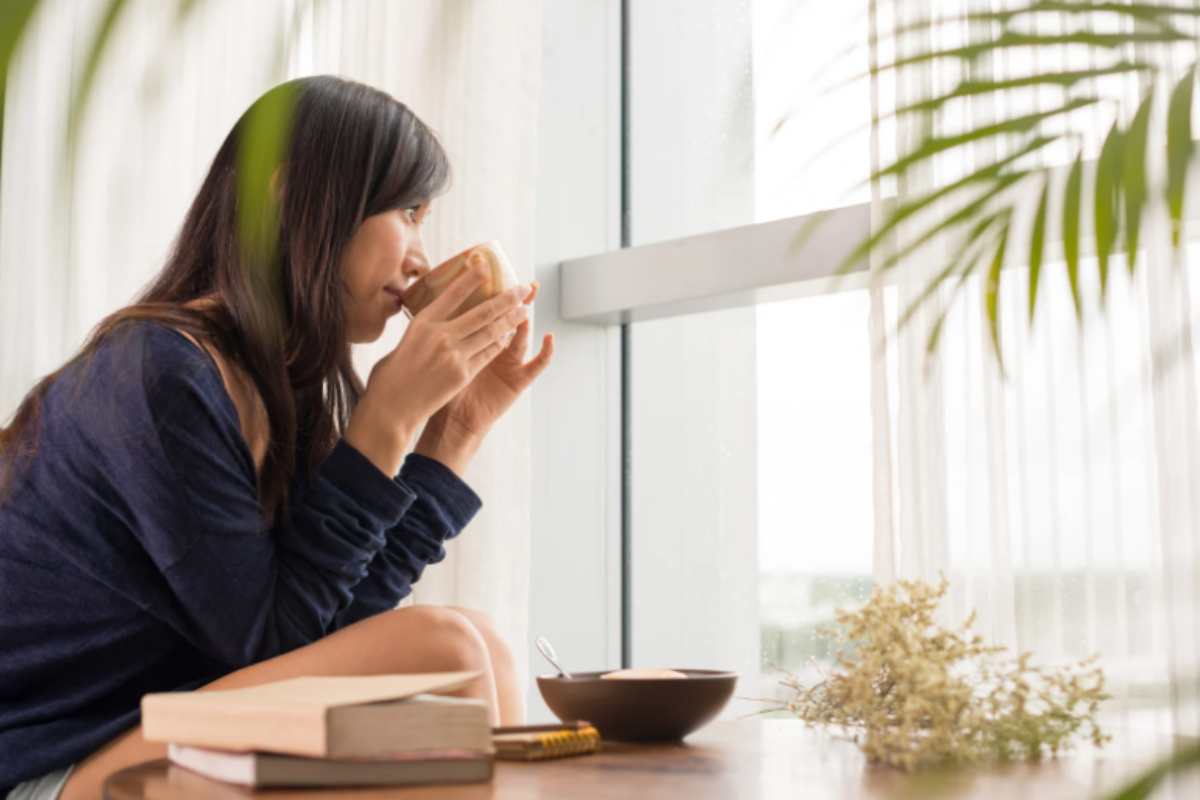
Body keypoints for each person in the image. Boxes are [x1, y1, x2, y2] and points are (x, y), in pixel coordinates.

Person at [0, 75, 554, 800]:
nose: (421, 256)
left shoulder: (279, 388)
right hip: (49, 768)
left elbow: (331, 636)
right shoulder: (160, 372)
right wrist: (385, 420)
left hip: (151, 742)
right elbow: (275, 648)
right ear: (290, 197)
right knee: (444, 649)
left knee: (478, 655)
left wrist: (454, 430)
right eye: (409, 213)